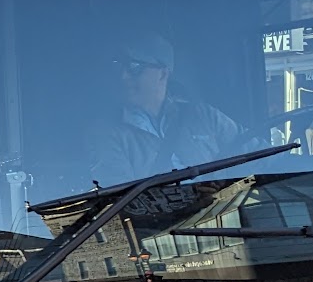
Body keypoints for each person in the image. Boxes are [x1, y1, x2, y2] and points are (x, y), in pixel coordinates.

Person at [86, 33, 241, 185]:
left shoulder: (203, 115)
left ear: (162, 74)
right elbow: (119, 194)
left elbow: (250, 151)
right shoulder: (105, 132)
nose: (123, 76)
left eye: (134, 67)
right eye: (119, 66)